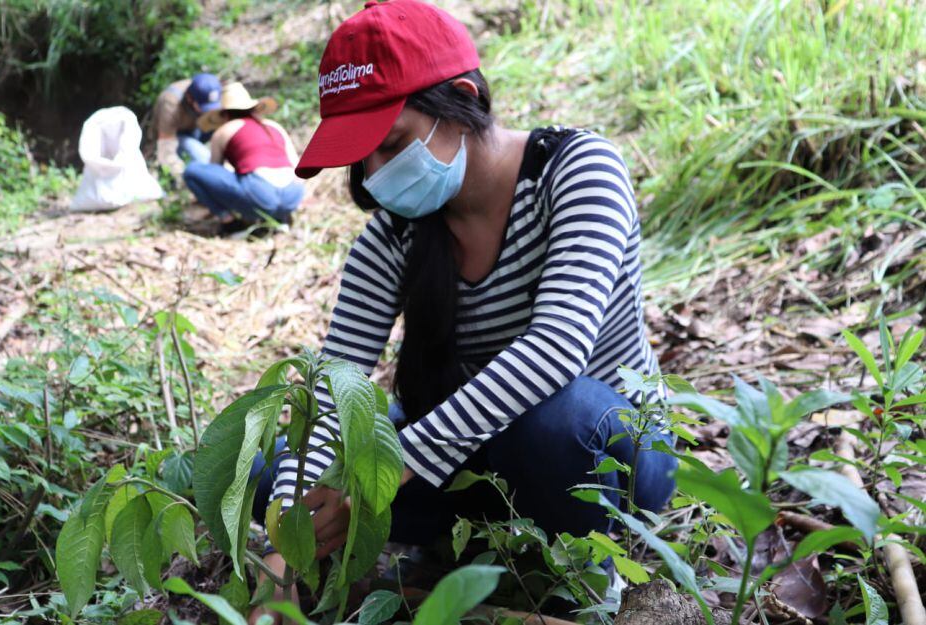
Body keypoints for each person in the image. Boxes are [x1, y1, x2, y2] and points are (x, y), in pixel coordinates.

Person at [250, 0, 676, 616]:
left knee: (561, 420)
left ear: (464, 98)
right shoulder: (394, 236)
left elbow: (556, 349)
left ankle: (583, 571)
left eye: (390, 143)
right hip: (469, 463)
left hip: (604, 458)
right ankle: (472, 547)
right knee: (278, 467)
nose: (374, 174)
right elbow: (335, 383)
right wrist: (289, 530)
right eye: (360, 158)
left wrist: (386, 472)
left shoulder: (576, 172)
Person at [182, 82, 304, 229]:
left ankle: (229, 222)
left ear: (224, 114)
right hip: (293, 196)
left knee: (192, 171)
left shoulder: (224, 131)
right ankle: (280, 218)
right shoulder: (274, 126)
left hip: (260, 195)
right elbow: (297, 167)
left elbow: (214, 171)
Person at [151, 72, 222, 174]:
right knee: (204, 158)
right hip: (176, 135)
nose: (209, 111)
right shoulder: (170, 103)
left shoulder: (211, 91)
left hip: (196, 128)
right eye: (204, 107)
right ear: (189, 98)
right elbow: (166, 146)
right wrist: (180, 174)